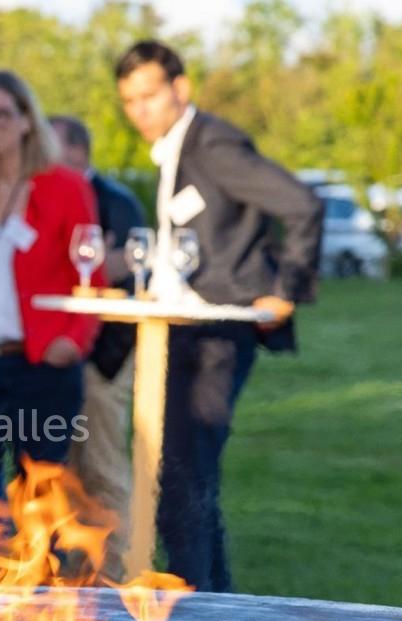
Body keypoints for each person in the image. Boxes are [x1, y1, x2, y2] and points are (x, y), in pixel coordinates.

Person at [114, 40, 323, 591]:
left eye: (150, 96)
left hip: (218, 335)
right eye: (130, 101)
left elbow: (302, 204)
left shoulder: (213, 144)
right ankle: (218, 616)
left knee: (183, 483)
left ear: (180, 89)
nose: (140, 111)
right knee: (186, 481)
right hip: (182, 330)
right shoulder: (178, 148)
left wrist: (285, 290)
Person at [0, 70, 103, 518]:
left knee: (40, 505)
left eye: (2, 114)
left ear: (28, 119)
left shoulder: (67, 187)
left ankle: (41, 590)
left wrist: (73, 341)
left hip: (43, 364)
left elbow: (92, 271)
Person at [50, 114, 147, 582]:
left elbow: (123, 270)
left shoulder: (115, 202)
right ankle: (75, 584)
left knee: (103, 468)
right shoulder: (45, 193)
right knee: (63, 471)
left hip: (105, 355)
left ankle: (115, 581)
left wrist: (86, 268)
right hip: (59, 352)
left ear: (77, 150)